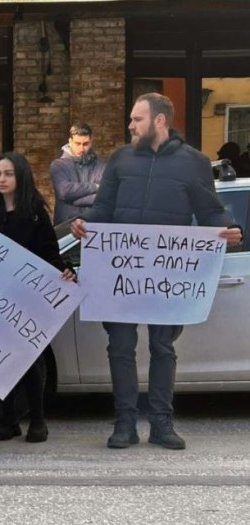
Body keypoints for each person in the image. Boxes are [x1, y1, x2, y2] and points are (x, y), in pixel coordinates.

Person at [71, 93, 243, 450]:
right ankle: (125, 425)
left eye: (137, 119)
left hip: (168, 276)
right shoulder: (120, 159)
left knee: (163, 347)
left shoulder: (193, 163)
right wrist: (84, 225)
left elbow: (209, 211)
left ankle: (162, 424)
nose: (130, 125)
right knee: (120, 348)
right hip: (122, 274)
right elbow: (103, 208)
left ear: (160, 121)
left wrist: (227, 229)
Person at [0, 152, 74, 443]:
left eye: (8, 174)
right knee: (3, 360)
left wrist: (64, 269)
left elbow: (49, 252)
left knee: (29, 359)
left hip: (27, 299)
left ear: (21, 177)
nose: (1, 179)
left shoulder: (34, 212)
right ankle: (8, 420)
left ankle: (38, 421)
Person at [50, 122, 106, 225]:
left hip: (93, 225)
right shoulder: (58, 165)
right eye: (77, 143)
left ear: (91, 142)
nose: (81, 148)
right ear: (70, 141)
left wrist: (74, 199)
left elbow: (104, 197)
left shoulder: (102, 166)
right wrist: (95, 187)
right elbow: (64, 192)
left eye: (85, 144)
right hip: (66, 225)